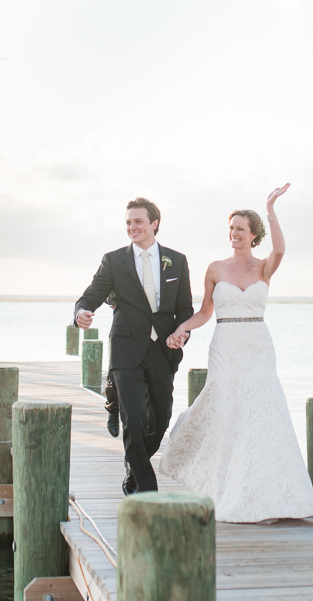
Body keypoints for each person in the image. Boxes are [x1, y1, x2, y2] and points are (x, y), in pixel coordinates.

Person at [160, 184, 313, 523]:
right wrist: (182, 329)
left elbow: (281, 249)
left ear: (253, 235)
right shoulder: (215, 269)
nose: (233, 233)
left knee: (263, 414)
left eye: (240, 229)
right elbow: (204, 312)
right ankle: (226, 489)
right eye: (231, 228)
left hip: (259, 346)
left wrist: (271, 207)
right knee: (230, 412)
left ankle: (273, 496)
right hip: (226, 345)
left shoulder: (264, 267)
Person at [75, 197, 194, 495]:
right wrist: (81, 311)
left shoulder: (176, 260)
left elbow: (185, 310)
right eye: (128, 222)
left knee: (162, 417)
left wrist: (183, 333)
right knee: (134, 419)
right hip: (126, 349)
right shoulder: (114, 260)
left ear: (154, 224)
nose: (132, 227)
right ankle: (145, 489)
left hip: (163, 349)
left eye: (138, 221)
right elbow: (93, 293)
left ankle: (134, 465)